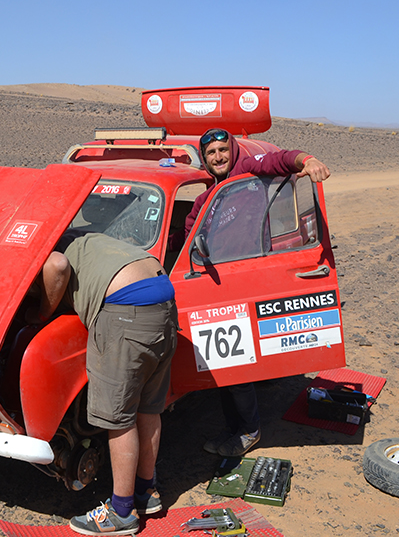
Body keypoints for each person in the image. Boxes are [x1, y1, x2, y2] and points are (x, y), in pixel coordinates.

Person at [181, 128, 331, 459]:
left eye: (222, 149)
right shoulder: (205, 200)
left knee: (237, 368)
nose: (218, 156)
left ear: (231, 150)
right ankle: (234, 428)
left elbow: (279, 160)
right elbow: (189, 239)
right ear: (204, 159)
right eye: (211, 153)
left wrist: (306, 159)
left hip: (248, 276)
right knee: (222, 369)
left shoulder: (248, 170)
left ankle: (248, 430)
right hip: (215, 283)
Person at [36, 231, 177, 536]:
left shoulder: (51, 246)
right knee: (148, 408)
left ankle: (122, 513)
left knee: (119, 418)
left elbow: (57, 266)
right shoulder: (89, 239)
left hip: (125, 312)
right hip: (164, 301)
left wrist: (39, 314)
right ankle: (146, 492)